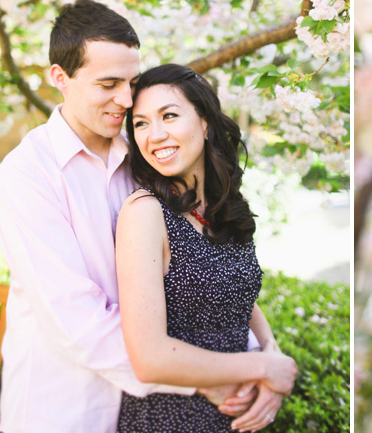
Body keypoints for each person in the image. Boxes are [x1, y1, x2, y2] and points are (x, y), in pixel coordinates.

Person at [0, 0, 256, 432]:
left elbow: (207, 262)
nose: (127, 100)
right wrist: (207, 379)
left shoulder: (147, 156)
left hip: (152, 410)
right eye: (109, 83)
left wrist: (259, 353)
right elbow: (78, 324)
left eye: (132, 81)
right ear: (60, 78)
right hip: (67, 411)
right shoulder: (28, 177)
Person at [115, 63, 297, 432]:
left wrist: (270, 349)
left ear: (205, 122)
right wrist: (264, 368)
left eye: (169, 115)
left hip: (231, 414)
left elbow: (233, 288)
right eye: (141, 123)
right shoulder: (145, 213)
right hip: (169, 419)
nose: (155, 135)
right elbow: (148, 358)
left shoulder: (219, 207)